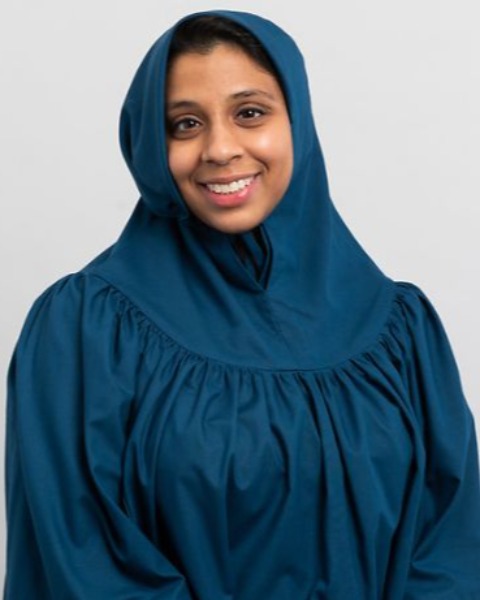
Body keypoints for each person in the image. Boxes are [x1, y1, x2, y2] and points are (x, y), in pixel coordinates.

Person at [4, 9, 480, 600]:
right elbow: (85, 566)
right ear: (151, 145)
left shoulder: (401, 330)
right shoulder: (83, 330)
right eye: (185, 124)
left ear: (297, 121)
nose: (220, 148)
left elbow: (452, 549)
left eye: (250, 113)